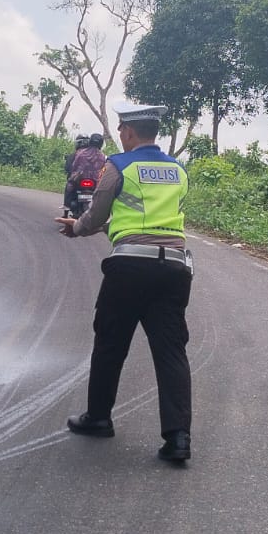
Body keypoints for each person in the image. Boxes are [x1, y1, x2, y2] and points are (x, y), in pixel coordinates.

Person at [55, 102, 194, 464]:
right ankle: (178, 438)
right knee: (171, 351)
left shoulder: (118, 165)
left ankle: (98, 417)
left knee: (111, 343)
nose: (119, 135)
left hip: (130, 266)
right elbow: (150, 215)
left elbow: (99, 212)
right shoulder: (178, 170)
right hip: (175, 267)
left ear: (129, 133)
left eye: (121, 130)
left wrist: (79, 229)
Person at [63, 133, 107, 215]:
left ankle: (66, 210)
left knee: (69, 186)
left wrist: (74, 174)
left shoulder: (81, 153)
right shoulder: (103, 156)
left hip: (80, 178)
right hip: (96, 181)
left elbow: (74, 166)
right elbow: (104, 169)